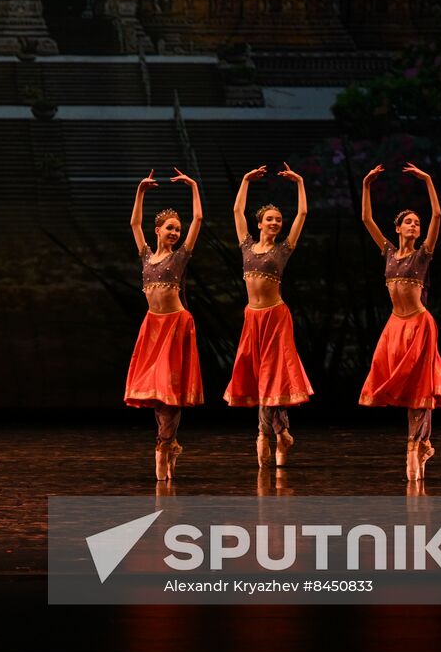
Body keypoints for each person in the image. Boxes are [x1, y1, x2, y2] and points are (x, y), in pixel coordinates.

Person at [359, 163, 441, 480]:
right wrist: (366, 186)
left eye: (418, 223)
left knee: (419, 389)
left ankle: (414, 447)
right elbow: (366, 220)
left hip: (419, 325)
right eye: (409, 223)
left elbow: (438, 217)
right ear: (398, 228)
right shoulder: (388, 252)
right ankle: (422, 442)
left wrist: (428, 180)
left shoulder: (423, 255)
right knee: (396, 385)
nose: (415, 226)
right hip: (395, 327)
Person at [224, 163, 314, 467]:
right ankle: (280, 431)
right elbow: (237, 212)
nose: (275, 223)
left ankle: (264, 435)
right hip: (253, 318)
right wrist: (246, 180)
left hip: (276, 318)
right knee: (261, 378)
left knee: (273, 378)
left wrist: (300, 182)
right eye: (270, 220)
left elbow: (302, 215)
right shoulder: (247, 246)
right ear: (259, 223)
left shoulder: (284, 249)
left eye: (278, 220)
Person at [125, 168, 205, 481]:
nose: (174, 232)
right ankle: (169, 443)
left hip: (175, 326)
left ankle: (163, 446)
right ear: (157, 230)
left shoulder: (181, 256)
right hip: (153, 327)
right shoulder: (146, 255)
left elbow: (198, 221)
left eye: (177, 229)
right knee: (158, 393)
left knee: (170, 390)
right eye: (169, 228)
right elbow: (133, 223)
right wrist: (141, 191)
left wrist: (194, 187)